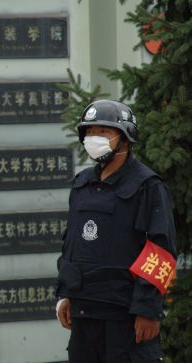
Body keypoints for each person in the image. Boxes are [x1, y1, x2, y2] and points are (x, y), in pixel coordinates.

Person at [56, 100, 177, 363]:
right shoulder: (82, 184)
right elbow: (72, 244)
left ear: (124, 138)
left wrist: (148, 309)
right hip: (84, 314)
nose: (93, 138)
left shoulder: (148, 186)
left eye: (103, 132)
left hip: (126, 317)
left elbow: (162, 251)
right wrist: (66, 294)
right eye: (89, 132)